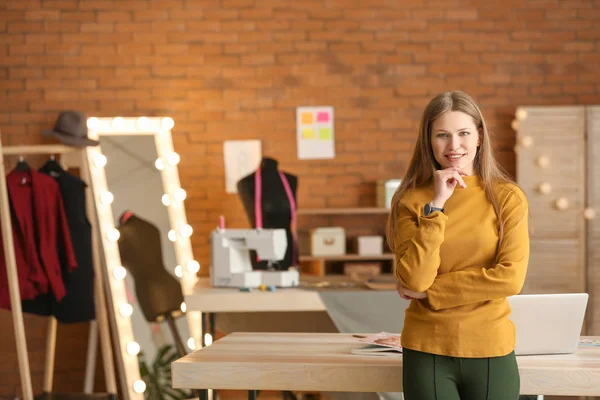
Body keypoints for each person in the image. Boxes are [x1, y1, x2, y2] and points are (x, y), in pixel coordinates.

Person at [386, 91, 530, 400]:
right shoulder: (410, 200)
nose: (454, 146)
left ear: (479, 136)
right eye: (442, 135)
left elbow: (511, 278)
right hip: (427, 349)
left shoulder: (507, 198)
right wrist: (437, 205)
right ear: (429, 141)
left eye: (463, 133)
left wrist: (431, 292)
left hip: (491, 345)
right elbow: (414, 280)